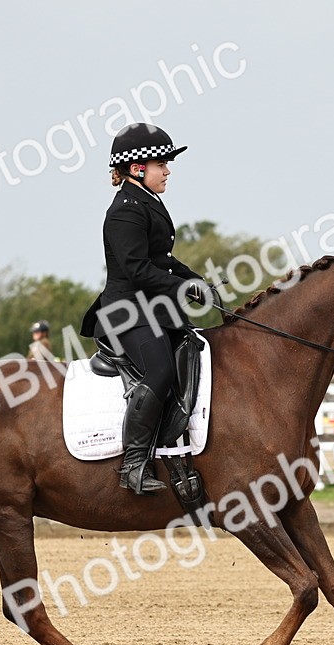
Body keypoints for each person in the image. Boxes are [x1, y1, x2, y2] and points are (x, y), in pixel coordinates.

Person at [79, 123, 209, 496]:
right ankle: (133, 465)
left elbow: (162, 260)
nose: (168, 170)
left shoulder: (146, 202)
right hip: (126, 312)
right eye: (161, 163)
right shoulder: (124, 211)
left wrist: (197, 281)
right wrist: (182, 287)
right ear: (138, 168)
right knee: (161, 369)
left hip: (150, 308)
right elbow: (137, 269)